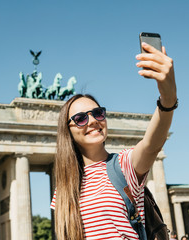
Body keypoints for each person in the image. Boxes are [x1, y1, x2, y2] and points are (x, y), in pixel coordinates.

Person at [50, 42, 177, 239]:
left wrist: (167, 99)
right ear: (68, 131)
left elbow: (152, 145)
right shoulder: (63, 189)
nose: (92, 121)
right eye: (81, 118)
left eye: (98, 113)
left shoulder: (124, 166)